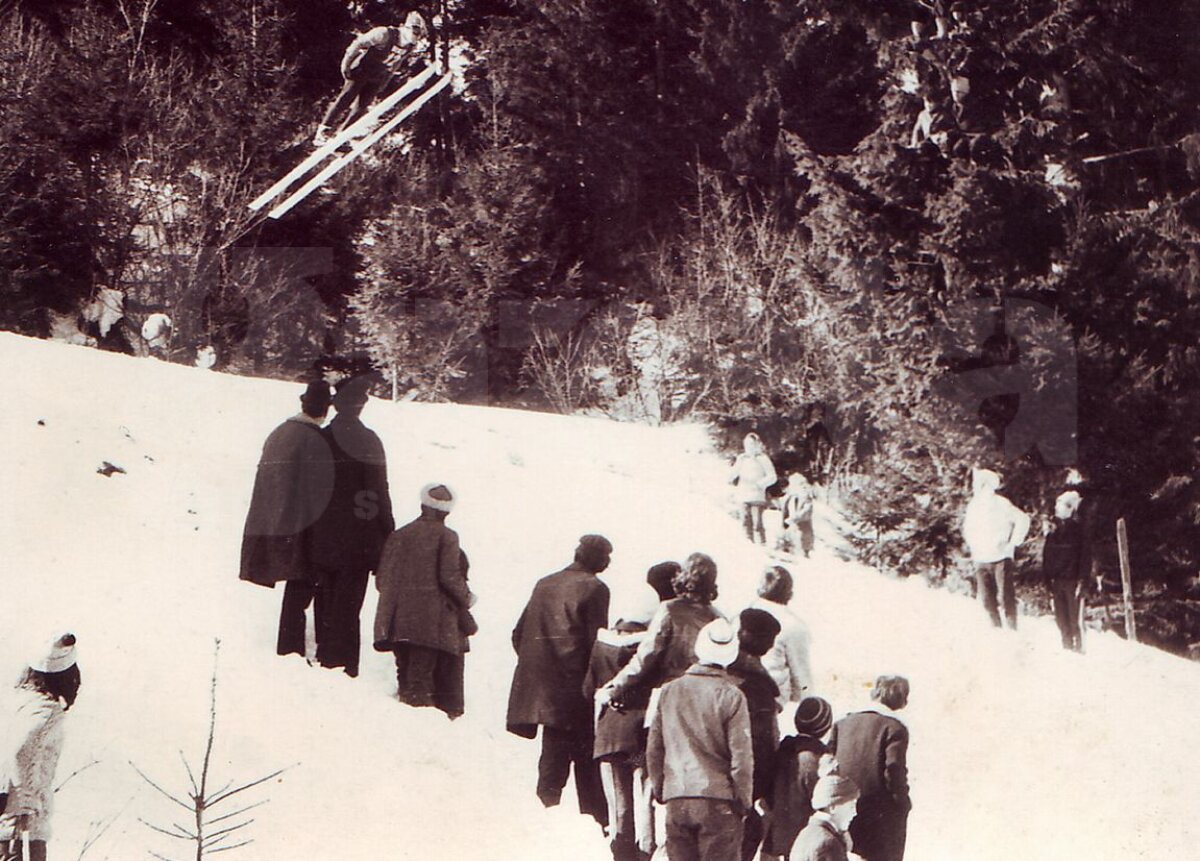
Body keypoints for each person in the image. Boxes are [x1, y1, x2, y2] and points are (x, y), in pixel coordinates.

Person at [507, 535, 613, 827]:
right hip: (577, 687)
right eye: (607, 555)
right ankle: (595, 826)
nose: (609, 562)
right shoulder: (596, 588)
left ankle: (544, 817)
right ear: (595, 557)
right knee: (587, 759)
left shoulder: (545, 583)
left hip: (544, 687)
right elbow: (596, 644)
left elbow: (518, 634)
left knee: (552, 758)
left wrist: (544, 668)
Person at [239, 380, 335, 660]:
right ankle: (293, 649)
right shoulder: (312, 438)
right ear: (324, 410)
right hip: (300, 525)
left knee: (297, 586)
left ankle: (290, 647)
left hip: (273, 522)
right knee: (304, 585)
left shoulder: (280, 432)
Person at [646, 619, 753, 861]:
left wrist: (661, 789)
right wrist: (743, 800)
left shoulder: (669, 691)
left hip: (677, 798)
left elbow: (654, 748)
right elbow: (742, 757)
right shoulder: (732, 696)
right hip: (719, 800)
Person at [309, 375, 394, 677]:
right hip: (359, 540)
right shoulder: (369, 440)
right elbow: (378, 492)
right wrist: (387, 534)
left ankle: (325, 656)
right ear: (360, 406)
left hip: (322, 536)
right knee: (349, 603)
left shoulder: (321, 439)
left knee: (326, 597)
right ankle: (345, 664)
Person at [373, 483, 473, 717]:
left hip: (397, 623)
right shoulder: (447, 537)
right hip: (429, 625)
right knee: (421, 685)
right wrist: (467, 599)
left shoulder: (399, 535)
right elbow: (449, 577)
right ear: (446, 512)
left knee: (405, 680)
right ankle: (418, 735)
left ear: (422, 505)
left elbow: (381, 581)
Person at [584, 587, 662, 861]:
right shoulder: (650, 647)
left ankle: (621, 853)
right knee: (645, 801)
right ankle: (644, 853)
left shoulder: (601, 643)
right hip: (642, 734)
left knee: (619, 803)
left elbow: (588, 689)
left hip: (609, 736)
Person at [599, 553, 723, 707]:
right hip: (706, 699)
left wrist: (613, 688)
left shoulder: (669, 609)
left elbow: (645, 657)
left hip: (670, 696)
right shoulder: (719, 618)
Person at [0, 634, 83, 861]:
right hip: (24, 831)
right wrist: (22, 804)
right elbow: (22, 750)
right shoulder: (46, 711)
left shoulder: (16, 705)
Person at [827, 676, 911, 861]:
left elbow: (829, 765)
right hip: (878, 818)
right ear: (901, 699)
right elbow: (894, 772)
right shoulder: (895, 728)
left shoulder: (842, 724)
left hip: (843, 810)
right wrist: (904, 803)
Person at [314, 11, 427, 144]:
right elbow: (358, 43)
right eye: (414, 33)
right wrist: (346, 65)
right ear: (406, 28)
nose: (415, 38)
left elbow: (396, 63)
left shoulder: (410, 46)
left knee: (362, 107)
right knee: (346, 98)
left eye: (419, 35)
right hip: (362, 68)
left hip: (377, 75)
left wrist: (385, 81)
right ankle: (323, 131)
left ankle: (342, 137)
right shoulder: (384, 33)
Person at [729, 609, 782, 861]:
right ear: (768, 645)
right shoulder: (761, 687)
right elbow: (764, 745)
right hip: (743, 781)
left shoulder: (722, 670)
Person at [761, 697, 835, 860]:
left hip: (775, 833)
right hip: (804, 837)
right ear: (824, 727)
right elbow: (823, 800)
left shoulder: (782, 751)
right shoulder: (816, 758)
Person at [962, 467, 1030, 629]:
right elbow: (968, 528)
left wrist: (1012, 543)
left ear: (986, 485)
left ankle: (1012, 631)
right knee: (986, 600)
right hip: (981, 559)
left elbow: (1023, 519)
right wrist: (974, 545)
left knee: (1006, 598)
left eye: (978, 484)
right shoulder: (973, 506)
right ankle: (997, 631)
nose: (974, 488)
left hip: (1000, 559)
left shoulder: (1001, 503)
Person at [750, 566, 815, 708]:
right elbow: (802, 681)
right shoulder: (794, 625)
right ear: (790, 594)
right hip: (770, 702)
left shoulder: (740, 615)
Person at [1042, 490, 1091, 651]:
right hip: (1057, 583)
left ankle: (1079, 652)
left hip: (1073, 583)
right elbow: (1047, 558)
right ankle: (1067, 651)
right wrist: (1048, 583)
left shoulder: (1079, 532)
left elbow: (1085, 559)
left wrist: (1082, 582)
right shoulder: (1053, 533)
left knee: (1074, 621)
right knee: (1061, 621)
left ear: (1070, 508)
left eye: (1060, 504)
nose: (1056, 507)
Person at [788, 774, 860, 861]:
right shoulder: (829, 844)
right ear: (833, 807)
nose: (855, 813)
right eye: (851, 806)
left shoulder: (805, 834)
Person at [731, 433, 777, 545]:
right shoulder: (742, 459)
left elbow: (772, 476)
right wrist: (737, 465)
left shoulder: (763, 458)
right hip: (743, 494)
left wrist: (760, 484)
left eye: (752, 444)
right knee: (745, 522)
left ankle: (762, 544)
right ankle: (748, 545)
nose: (749, 447)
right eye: (747, 445)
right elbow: (732, 475)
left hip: (757, 496)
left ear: (757, 444)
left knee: (757, 523)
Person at [779, 474, 817, 558]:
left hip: (803, 529)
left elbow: (806, 512)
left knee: (802, 551)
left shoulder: (806, 498)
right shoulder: (789, 498)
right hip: (790, 530)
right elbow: (785, 512)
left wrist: (793, 518)